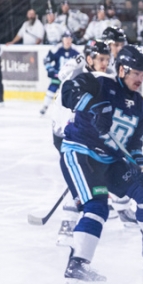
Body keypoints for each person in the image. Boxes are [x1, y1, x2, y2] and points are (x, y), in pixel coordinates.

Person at [58, 45, 143, 284]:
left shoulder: (139, 106)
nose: (140, 79)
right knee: (97, 205)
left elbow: (134, 144)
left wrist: (142, 166)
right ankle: (77, 265)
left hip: (111, 161)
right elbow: (68, 92)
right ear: (122, 69)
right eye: (136, 73)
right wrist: (94, 105)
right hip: (81, 153)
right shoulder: (100, 82)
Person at [50, 40, 112, 246]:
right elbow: (63, 82)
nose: (104, 63)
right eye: (100, 59)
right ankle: (67, 224)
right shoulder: (76, 76)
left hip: (80, 133)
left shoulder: (101, 76)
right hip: (65, 132)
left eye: (106, 59)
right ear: (89, 59)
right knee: (79, 177)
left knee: (84, 177)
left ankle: (77, 218)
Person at [40, 31, 80, 116]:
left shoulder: (76, 51)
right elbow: (46, 60)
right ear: (62, 39)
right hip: (57, 75)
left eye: (70, 38)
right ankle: (45, 106)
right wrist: (50, 69)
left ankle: (73, 111)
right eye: (66, 38)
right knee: (52, 88)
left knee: (73, 93)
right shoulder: (56, 49)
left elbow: (81, 65)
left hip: (70, 77)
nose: (68, 41)